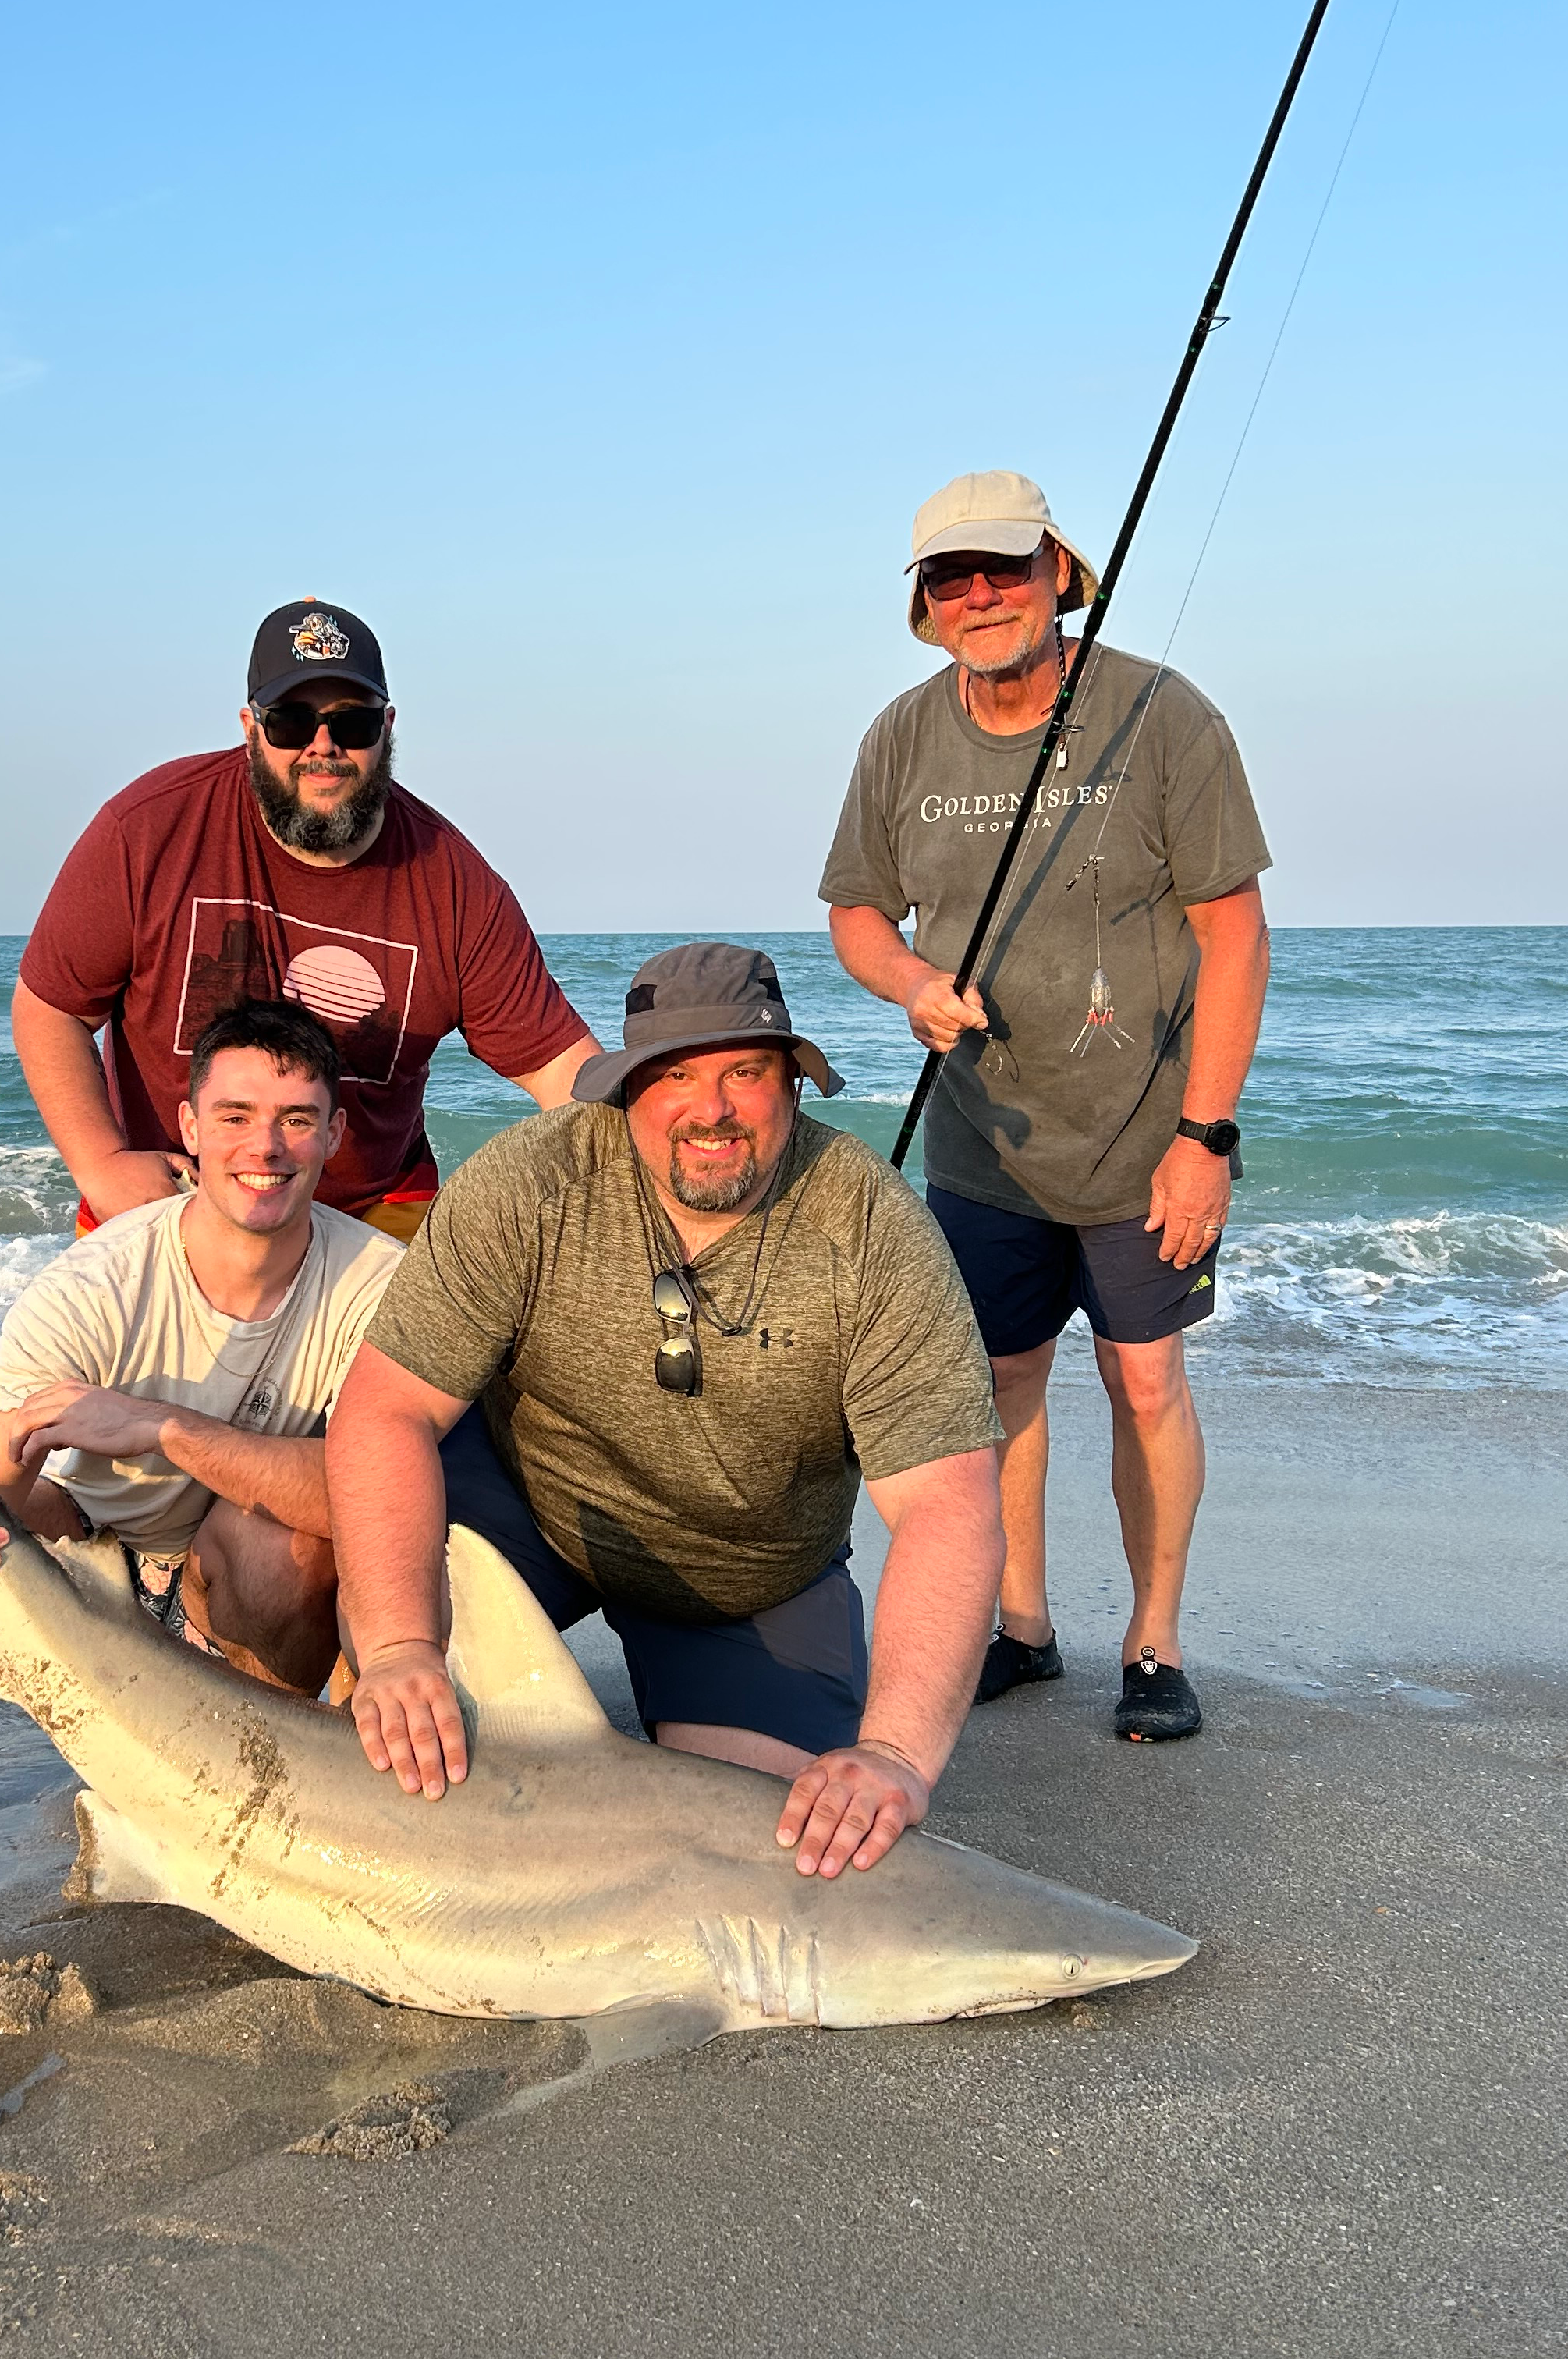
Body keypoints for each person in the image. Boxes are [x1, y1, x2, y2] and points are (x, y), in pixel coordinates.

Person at [325, 942, 1009, 1879]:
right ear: (625, 1091)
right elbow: (386, 1412)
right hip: (529, 1515)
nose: (711, 1108)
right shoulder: (534, 1179)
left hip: (746, 1574)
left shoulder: (873, 1229)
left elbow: (947, 1504)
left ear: (795, 1086)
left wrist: (893, 1753)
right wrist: (402, 1644)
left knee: (775, 1851)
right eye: (675, 1074)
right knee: (365, 1731)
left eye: (746, 1072)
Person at [820, 470, 1272, 1742]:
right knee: (1001, 1378)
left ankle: (1152, 1641)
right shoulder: (900, 737)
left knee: (1144, 1381)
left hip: (1146, 1142)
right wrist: (908, 979)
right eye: (948, 578)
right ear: (922, 605)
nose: (979, 595)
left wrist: (1204, 1137)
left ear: (1057, 572)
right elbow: (854, 904)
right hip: (981, 1145)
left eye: (1003, 568)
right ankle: (1019, 1623)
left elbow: (1232, 939)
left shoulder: (1161, 716)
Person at [0, 1000, 402, 1838]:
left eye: (296, 1119)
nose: (265, 1148)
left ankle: (240, 1799)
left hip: (232, 1575)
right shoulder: (96, 1284)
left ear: (332, 1134)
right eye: (236, 1117)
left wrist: (165, 1427)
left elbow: (386, 1503)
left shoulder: (380, 1284)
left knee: (286, 1547)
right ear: (189, 1125)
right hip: (91, 1551)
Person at [12, 598, 601, 1244]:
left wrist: (652, 1155)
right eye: (292, 722)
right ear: (249, 726)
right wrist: (103, 1166)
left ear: (389, 727)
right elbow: (51, 1009)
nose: (323, 748)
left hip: (371, 1211)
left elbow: (559, 1071)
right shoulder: (148, 830)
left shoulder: (455, 882)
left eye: (353, 722)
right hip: (171, 1195)